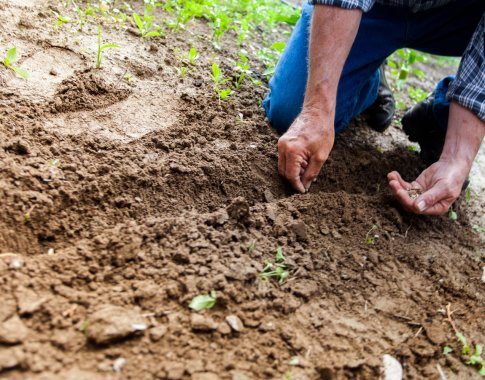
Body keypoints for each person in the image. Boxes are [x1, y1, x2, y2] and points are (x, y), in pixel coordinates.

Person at [263, 0, 485, 215]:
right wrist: (317, 110)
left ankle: (441, 115)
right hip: (377, 8)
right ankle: (369, 77)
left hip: (460, 14)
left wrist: (456, 159)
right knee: (291, 111)